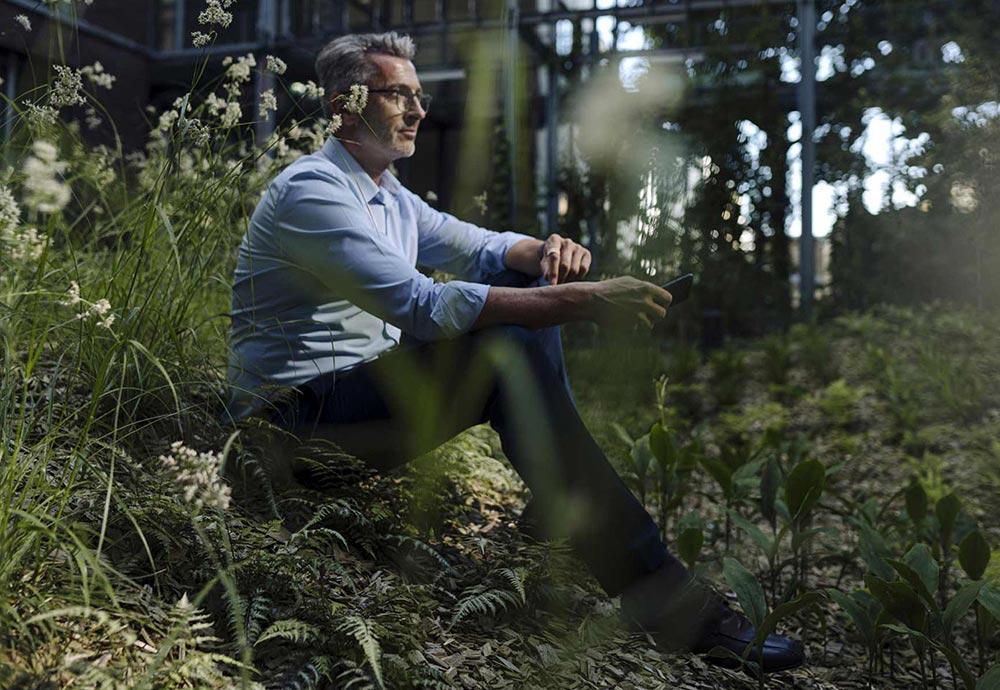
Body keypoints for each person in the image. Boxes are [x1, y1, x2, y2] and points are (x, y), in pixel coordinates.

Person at [226, 31, 804, 673]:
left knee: (526, 285)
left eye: (419, 96)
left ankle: (561, 490)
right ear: (344, 105)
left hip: (355, 403)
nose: (418, 110)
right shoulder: (313, 191)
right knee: (509, 337)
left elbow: (479, 247)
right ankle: (664, 596)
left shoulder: (388, 194)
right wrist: (582, 302)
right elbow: (421, 305)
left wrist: (547, 249)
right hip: (289, 428)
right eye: (399, 95)